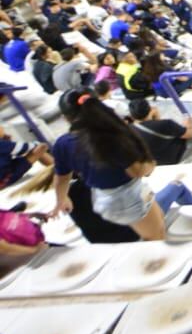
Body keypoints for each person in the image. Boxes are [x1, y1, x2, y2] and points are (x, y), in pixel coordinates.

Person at [47, 90, 170, 241]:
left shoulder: (63, 143)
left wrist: (61, 199)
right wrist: (151, 165)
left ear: (65, 118)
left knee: (158, 223)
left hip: (103, 198)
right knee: (156, 237)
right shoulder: (108, 137)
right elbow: (137, 171)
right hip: (127, 198)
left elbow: (61, 178)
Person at [126, 99, 192, 164]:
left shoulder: (128, 130)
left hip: (158, 162)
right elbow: (189, 134)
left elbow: (154, 129)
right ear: (150, 109)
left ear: (132, 115)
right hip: (182, 155)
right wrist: (190, 124)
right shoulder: (165, 124)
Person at [0, 125, 52, 190]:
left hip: (6, 169)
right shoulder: (2, 144)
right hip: (5, 177)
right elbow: (26, 148)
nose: (2, 127)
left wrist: (6, 141)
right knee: (40, 148)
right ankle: (60, 169)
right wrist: (38, 144)